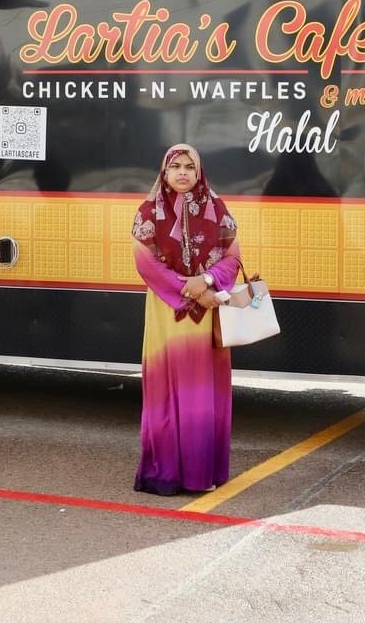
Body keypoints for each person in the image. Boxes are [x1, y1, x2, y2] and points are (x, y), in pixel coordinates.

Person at [131, 143, 241, 495]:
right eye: (175, 166)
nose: (182, 172)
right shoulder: (149, 212)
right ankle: (165, 473)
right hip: (168, 312)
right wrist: (190, 290)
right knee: (167, 388)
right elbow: (147, 264)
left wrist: (207, 280)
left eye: (189, 167)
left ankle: (200, 473)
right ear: (164, 172)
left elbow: (232, 258)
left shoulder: (217, 209)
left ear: (199, 172)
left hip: (208, 313)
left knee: (204, 393)